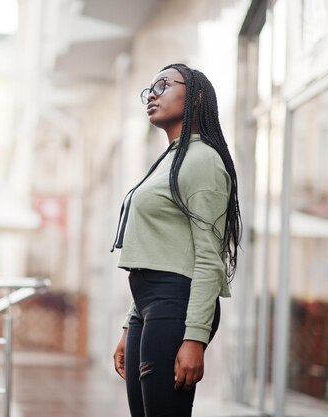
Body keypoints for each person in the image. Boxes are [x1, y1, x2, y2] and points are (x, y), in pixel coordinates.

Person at [111, 63, 242, 416]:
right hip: (149, 303)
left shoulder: (202, 160)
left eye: (163, 85)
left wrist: (196, 337)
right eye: (149, 89)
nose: (152, 95)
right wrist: (130, 322)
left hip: (175, 304)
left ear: (196, 96)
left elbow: (208, 256)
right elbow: (158, 250)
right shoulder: (171, 158)